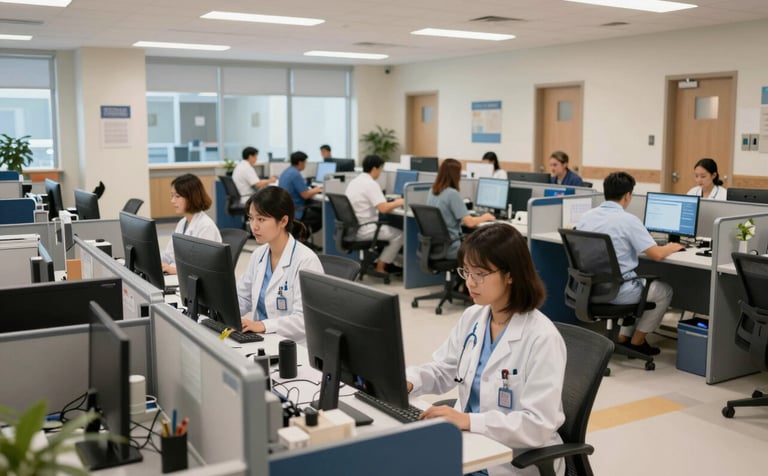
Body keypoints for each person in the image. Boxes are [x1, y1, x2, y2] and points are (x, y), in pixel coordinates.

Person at [406, 224, 567, 476]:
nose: (470, 282)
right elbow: (444, 369)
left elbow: (538, 424)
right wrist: (409, 381)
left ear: (510, 275)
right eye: (466, 272)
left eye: (480, 274)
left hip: (514, 457)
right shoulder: (473, 317)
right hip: (469, 443)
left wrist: (469, 421)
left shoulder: (542, 338)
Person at [576, 171, 683, 355]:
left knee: (634, 278)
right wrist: (671, 247)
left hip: (589, 287)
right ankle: (637, 341)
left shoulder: (586, 216)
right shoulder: (628, 220)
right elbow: (657, 255)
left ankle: (623, 337)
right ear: (627, 195)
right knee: (663, 291)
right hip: (617, 292)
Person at [238, 186, 323, 342]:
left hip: (293, 345)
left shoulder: (306, 261)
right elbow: (243, 297)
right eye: (251, 218)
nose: (254, 226)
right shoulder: (258, 255)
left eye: (261, 219)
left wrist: (263, 325)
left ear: (283, 221)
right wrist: (223, 312)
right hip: (260, 339)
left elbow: (305, 319)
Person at [345, 154, 404, 274]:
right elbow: (383, 208)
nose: (380, 172)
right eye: (381, 169)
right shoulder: (370, 184)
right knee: (400, 235)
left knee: (390, 227)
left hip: (353, 228)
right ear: (375, 168)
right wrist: (400, 202)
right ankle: (380, 267)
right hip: (365, 228)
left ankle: (380, 262)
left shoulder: (355, 181)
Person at [428, 158, 494, 258]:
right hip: (451, 248)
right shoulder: (452, 194)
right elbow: (469, 222)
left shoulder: (432, 191)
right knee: (482, 250)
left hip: (435, 247)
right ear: (455, 175)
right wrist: (485, 217)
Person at [161, 174, 222, 275]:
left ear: (191, 198)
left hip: (197, 281)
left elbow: (202, 267)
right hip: (181, 275)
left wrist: (173, 270)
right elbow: (169, 254)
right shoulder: (182, 223)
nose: (172, 201)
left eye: (177, 196)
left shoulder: (206, 227)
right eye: (172, 196)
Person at [278, 151, 323, 233]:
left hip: (286, 209)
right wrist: (316, 190)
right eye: (305, 162)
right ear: (300, 162)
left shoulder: (287, 171)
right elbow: (305, 195)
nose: (305, 165)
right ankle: (303, 234)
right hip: (297, 210)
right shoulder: (295, 174)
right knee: (322, 213)